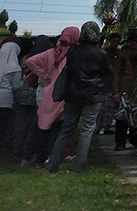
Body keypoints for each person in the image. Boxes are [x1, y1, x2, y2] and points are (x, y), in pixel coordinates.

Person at [45, 21, 112, 173]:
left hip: (72, 94)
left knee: (66, 130)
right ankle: (79, 166)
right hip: (93, 96)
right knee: (86, 131)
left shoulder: (72, 51)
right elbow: (107, 74)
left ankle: (52, 164)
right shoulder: (101, 54)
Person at [24, 26, 79, 166]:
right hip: (62, 95)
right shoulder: (72, 54)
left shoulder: (51, 52)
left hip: (46, 94)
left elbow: (29, 61)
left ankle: (39, 158)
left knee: (43, 127)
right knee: (60, 128)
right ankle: (53, 156)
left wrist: (43, 74)